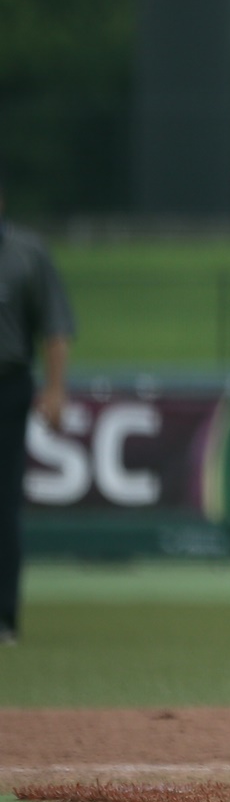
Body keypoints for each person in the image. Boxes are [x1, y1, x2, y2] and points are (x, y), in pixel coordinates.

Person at [0, 169, 76, 647]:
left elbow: (55, 327)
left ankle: (3, 617)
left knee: (4, 503)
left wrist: (55, 389)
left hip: (6, 385)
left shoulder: (26, 253)